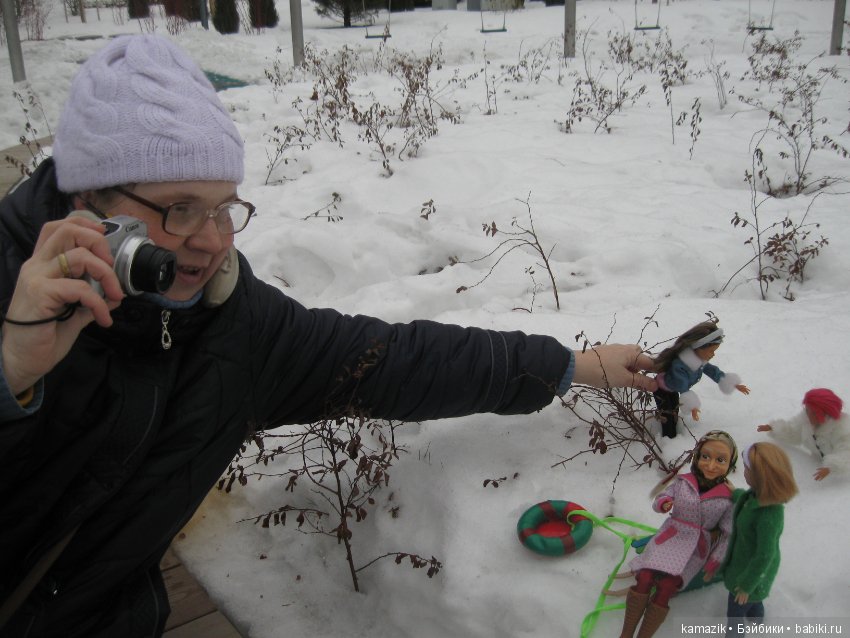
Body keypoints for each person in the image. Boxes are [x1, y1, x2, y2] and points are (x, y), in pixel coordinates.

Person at [0, 35, 659, 638]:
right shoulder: (11, 286)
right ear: (89, 203)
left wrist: (575, 366)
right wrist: (11, 376)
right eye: (179, 209)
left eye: (224, 207)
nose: (210, 240)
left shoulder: (232, 324)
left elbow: (392, 361)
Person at [619, 430, 737, 638]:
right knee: (645, 577)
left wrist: (714, 561)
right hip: (670, 536)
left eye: (720, 460)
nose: (711, 465)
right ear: (698, 456)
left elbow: (728, 533)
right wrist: (664, 503)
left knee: (666, 587)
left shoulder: (729, 498)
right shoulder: (684, 482)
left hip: (696, 547)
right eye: (705, 457)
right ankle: (626, 634)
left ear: (730, 464)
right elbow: (661, 497)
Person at [723, 442, 797, 637]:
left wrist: (746, 585)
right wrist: (735, 493)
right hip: (748, 564)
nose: (744, 472)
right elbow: (747, 502)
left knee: (735, 614)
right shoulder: (758, 497)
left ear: (760, 476)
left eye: (747, 469)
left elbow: (764, 555)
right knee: (755, 601)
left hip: (750, 573)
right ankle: (757, 617)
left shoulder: (769, 515)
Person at [652, 320, 749, 438]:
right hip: (661, 390)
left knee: (673, 410)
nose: (713, 354)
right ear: (699, 347)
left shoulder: (699, 361)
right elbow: (681, 384)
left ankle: (674, 427)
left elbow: (713, 371)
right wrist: (692, 405)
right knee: (667, 413)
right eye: (711, 351)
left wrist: (731, 383)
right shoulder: (681, 364)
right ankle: (668, 438)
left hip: (672, 389)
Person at [757, 388, 849, 481]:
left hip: (840, 479)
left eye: (813, 412)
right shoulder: (805, 420)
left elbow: (846, 452)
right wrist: (774, 428)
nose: (808, 415)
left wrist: (832, 467)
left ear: (824, 414)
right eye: (807, 410)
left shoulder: (843, 429)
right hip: (814, 465)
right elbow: (792, 432)